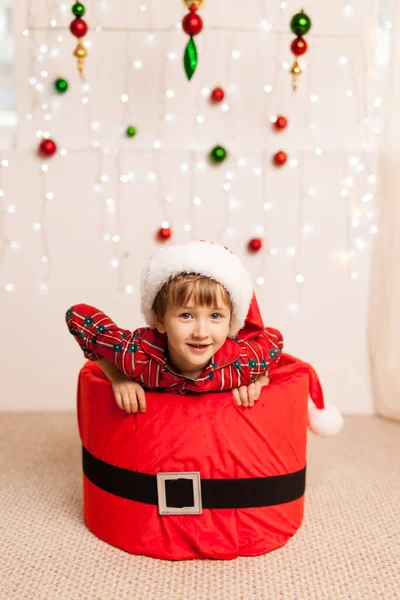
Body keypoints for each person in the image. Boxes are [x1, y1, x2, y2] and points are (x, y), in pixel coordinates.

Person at [66, 240, 283, 414]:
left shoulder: (243, 364)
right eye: (186, 315)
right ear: (160, 321)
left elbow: (275, 339)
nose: (201, 332)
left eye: (215, 316)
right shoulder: (137, 356)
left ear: (230, 323)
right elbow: (78, 315)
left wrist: (260, 378)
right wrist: (119, 378)